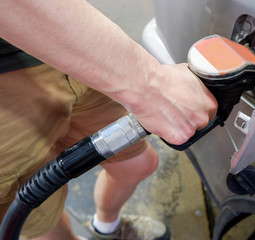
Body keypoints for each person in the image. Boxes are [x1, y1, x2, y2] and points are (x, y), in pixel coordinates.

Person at [0, 1, 217, 240]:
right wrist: (148, 83)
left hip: (71, 46)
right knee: (39, 209)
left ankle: (105, 228)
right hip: (7, 92)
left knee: (137, 164)